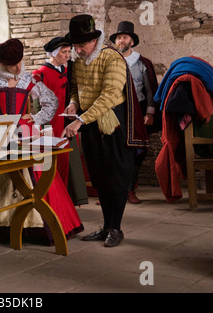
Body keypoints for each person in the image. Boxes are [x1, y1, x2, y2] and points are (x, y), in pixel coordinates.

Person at [0, 38, 83, 244]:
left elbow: (51, 102)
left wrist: (35, 119)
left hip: (24, 134)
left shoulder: (28, 80)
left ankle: (35, 225)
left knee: (35, 173)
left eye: (19, 62)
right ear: (3, 65)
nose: (18, 67)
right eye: (13, 65)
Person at [61, 14, 148, 247]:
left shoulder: (112, 58)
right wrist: (73, 103)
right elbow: (76, 88)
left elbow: (110, 95)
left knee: (116, 177)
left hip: (113, 124)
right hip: (89, 122)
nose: (77, 50)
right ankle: (106, 226)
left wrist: (80, 120)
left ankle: (116, 229)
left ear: (93, 41)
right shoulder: (79, 60)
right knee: (99, 178)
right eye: (75, 45)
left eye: (80, 45)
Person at [32, 37, 88, 206]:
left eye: (68, 51)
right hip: (50, 124)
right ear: (54, 53)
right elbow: (36, 104)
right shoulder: (40, 74)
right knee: (51, 163)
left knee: (67, 161)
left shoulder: (67, 71)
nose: (67, 55)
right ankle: (52, 202)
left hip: (67, 121)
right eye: (63, 52)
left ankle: (66, 201)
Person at [110, 21, 159, 204]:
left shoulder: (142, 63)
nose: (121, 40)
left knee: (138, 151)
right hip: (116, 111)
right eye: (118, 38)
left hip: (138, 111)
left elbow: (150, 90)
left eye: (125, 37)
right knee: (115, 151)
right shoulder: (110, 60)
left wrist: (150, 113)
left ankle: (130, 189)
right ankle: (115, 191)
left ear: (132, 41)